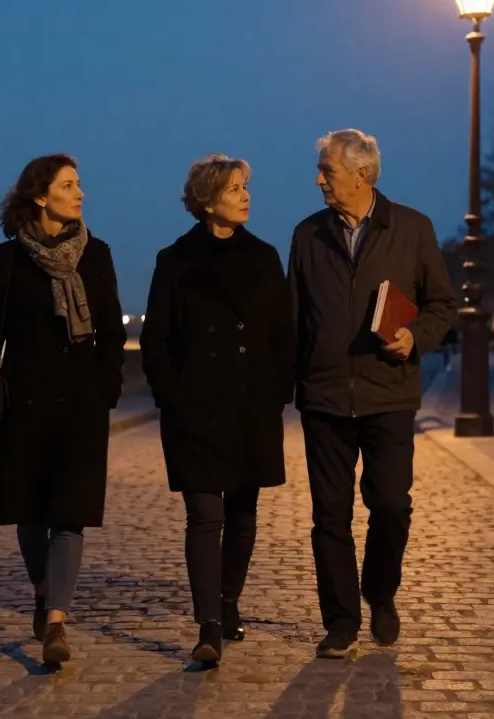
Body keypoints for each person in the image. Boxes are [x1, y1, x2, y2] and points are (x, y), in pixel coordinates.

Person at [288, 129, 457, 658]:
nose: (318, 179)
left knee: (390, 506)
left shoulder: (413, 228)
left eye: (327, 170)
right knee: (328, 517)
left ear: (360, 174)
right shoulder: (306, 235)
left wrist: (415, 337)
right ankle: (340, 622)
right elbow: (294, 319)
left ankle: (380, 592)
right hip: (325, 398)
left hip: (389, 393)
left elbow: (442, 305)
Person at [0, 153, 127, 666]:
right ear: (40, 195)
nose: (80, 194)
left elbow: (113, 332)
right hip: (25, 404)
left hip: (79, 404)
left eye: (80, 185)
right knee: (29, 513)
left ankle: (57, 621)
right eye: (69, 185)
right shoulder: (6, 260)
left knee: (69, 516)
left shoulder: (95, 254)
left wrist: (104, 390)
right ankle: (41, 588)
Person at [140, 154, 294, 665]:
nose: (245, 196)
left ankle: (228, 603)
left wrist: (276, 389)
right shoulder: (175, 260)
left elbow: (282, 333)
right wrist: (172, 394)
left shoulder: (266, 258)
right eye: (233, 189)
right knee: (204, 514)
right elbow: (156, 337)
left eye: (246, 186)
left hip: (251, 404)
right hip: (195, 409)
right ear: (208, 201)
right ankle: (208, 625)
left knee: (243, 512)